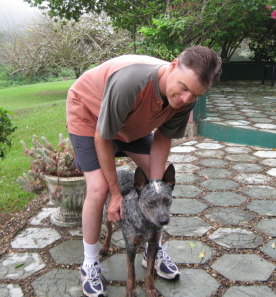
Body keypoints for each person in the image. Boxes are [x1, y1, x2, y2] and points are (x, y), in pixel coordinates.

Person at [66, 45, 222, 297]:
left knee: (156, 183)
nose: (185, 99)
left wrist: (156, 184)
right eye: (183, 87)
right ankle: (90, 264)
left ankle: (154, 250)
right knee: (99, 188)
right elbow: (103, 137)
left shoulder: (185, 99)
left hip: (131, 124)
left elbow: (163, 138)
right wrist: (116, 194)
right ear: (173, 65)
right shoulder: (131, 82)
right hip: (90, 115)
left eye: (194, 94)